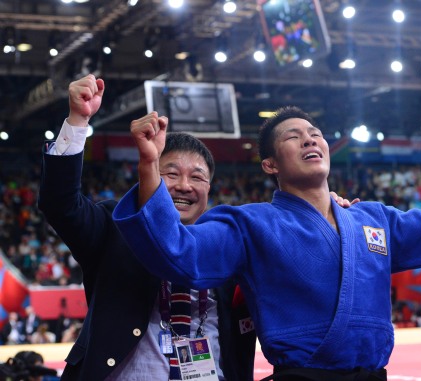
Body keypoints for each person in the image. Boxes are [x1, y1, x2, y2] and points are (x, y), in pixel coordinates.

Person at [113, 106, 421, 380]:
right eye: (294, 137)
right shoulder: (248, 224)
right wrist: (150, 165)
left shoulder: (374, 219)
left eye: (315, 134)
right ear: (270, 164)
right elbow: (179, 253)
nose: (310, 140)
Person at [37, 75, 258, 381]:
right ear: (151, 173)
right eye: (170, 173)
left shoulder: (228, 243)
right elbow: (59, 204)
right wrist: (78, 121)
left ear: (209, 187)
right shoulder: (115, 227)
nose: (184, 186)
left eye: (197, 177)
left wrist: (328, 210)